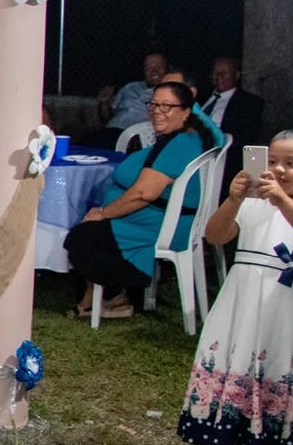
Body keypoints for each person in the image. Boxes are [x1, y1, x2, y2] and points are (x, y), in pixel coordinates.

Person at [176, 129, 293, 445]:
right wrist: (233, 198)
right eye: (272, 161)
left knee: (282, 371)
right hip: (243, 298)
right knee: (234, 366)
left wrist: (283, 201)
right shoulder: (253, 202)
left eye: (290, 164)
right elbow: (215, 236)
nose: (279, 170)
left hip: (284, 304)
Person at [65, 81, 221, 319]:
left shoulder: (180, 144)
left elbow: (143, 193)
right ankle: (113, 297)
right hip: (157, 219)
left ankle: (104, 299)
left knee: (84, 236)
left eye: (167, 106)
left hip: (161, 226)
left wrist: (104, 213)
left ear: (186, 112)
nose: (157, 111)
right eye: (154, 104)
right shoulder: (184, 138)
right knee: (89, 227)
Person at [200, 56, 265, 197]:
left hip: (223, 159)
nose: (219, 76)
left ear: (237, 75)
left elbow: (247, 137)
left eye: (225, 73)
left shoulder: (250, 103)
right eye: (215, 73)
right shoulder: (200, 97)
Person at [87, 51, 168, 148]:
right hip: (111, 131)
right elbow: (107, 118)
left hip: (136, 137)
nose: (154, 71)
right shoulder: (130, 87)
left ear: (167, 69)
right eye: (148, 68)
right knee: (84, 144)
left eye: (159, 67)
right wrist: (105, 103)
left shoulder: (169, 93)